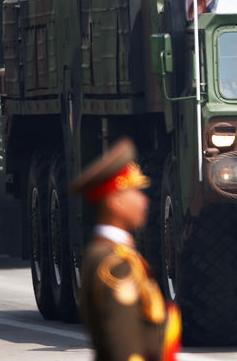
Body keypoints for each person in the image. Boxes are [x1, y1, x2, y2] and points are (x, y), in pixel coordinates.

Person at [71, 138, 180, 361]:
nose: (144, 201)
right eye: (135, 192)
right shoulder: (115, 265)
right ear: (116, 202)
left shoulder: (111, 254)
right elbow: (125, 349)